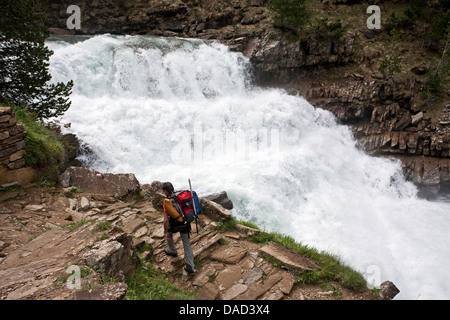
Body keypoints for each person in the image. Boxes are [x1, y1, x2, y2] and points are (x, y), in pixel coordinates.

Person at [162, 181, 196, 278]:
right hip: (186, 223)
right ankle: (190, 267)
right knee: (187, 244)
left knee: (168, 232)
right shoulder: (180, 195)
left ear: (165, 191)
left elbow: (165, 220)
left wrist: (166, 232)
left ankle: (172, 250)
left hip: (175, 224)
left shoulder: (167, 201)